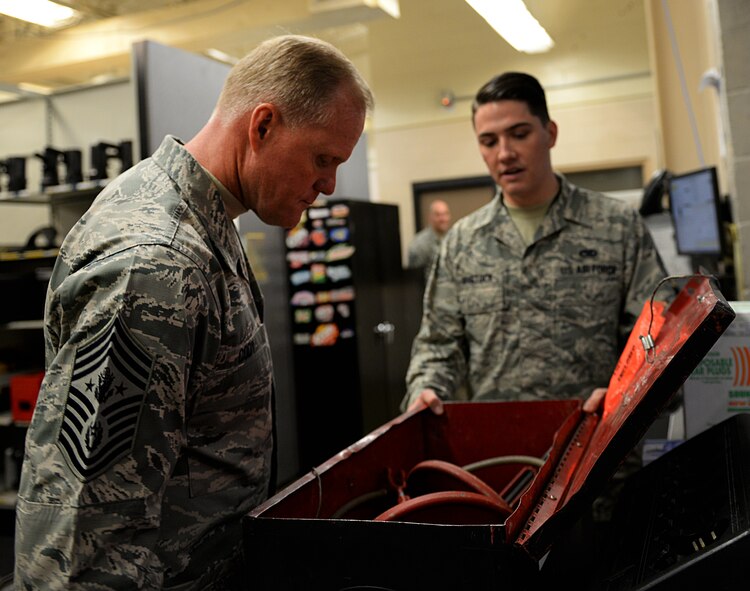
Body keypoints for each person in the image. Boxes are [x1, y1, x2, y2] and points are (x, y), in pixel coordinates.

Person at [14, 35, 373, 590]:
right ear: (263, 126)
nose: (327, 185)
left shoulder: (204, 223)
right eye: (322, 159)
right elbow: (86, 531)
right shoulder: (154, 266)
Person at [402, 71, 668, 418]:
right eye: (489, 141)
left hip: (601, 452)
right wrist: (425, 389)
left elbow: (656, 336)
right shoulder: (462, 243)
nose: (505, 153)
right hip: (500, 457)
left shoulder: (617, 226)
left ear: (550, 133)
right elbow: (438, 347)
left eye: (519, 134)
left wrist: (627, 392)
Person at [407, 199, 452, 274]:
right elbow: (415, 279)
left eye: (445, 214)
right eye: (438, 215)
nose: (443, 219)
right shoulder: (420, 244)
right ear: (430, 217)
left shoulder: (452, 238)